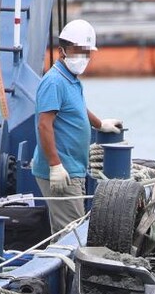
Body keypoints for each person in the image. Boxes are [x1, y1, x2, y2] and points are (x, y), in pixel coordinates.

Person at [32, 19, 122, 234]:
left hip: (74, 168)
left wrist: (100, 124)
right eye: (78, 50)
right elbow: (44, 125)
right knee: (72, 234)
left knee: (65, 231)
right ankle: (69, 269)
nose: (83, 57)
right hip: (62, 170)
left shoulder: (71, 79)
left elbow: (78, 108)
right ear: (62, 51)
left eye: (87, 52)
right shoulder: (53, 81)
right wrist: (55, 165)